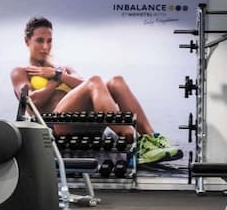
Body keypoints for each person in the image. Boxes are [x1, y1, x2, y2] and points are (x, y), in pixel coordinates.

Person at [10, 16, 182, 165]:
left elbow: (89, 86)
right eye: (40, 40)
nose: (45, 46)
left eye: (49, 41)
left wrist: (58, 74)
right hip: (58, 127)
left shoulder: (62, 69)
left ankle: (151, 139)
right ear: (27, 41)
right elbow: (32, 102)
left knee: (116, 81)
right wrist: (55, 80)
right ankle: (134, 145)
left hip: (88, 122)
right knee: (95, 80)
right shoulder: (21, 72)